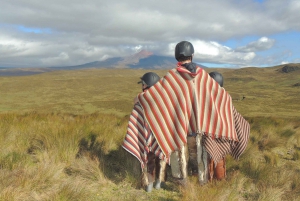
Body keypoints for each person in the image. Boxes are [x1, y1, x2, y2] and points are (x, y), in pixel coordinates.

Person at [135, 41, 250, 185]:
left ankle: (182, 185)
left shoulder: (172, 76)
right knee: (200, 158)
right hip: (200, 127)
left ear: (177, 56)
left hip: (179, 127)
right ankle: (202, 184)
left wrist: (140, 98)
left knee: (179, 157)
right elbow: (222, 96)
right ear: (192, 55)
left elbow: (155, 95)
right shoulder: (202, 76)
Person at [122, 72, 168, 192]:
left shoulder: (140, 101)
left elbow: (135, 120)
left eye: (142, 84)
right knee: (161, 156)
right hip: (161, 136)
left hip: (146, 136)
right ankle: (159, 182)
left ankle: (149, 184)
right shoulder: (163, 100)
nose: (141, 86)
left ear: (145, 85)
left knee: (149, 158)